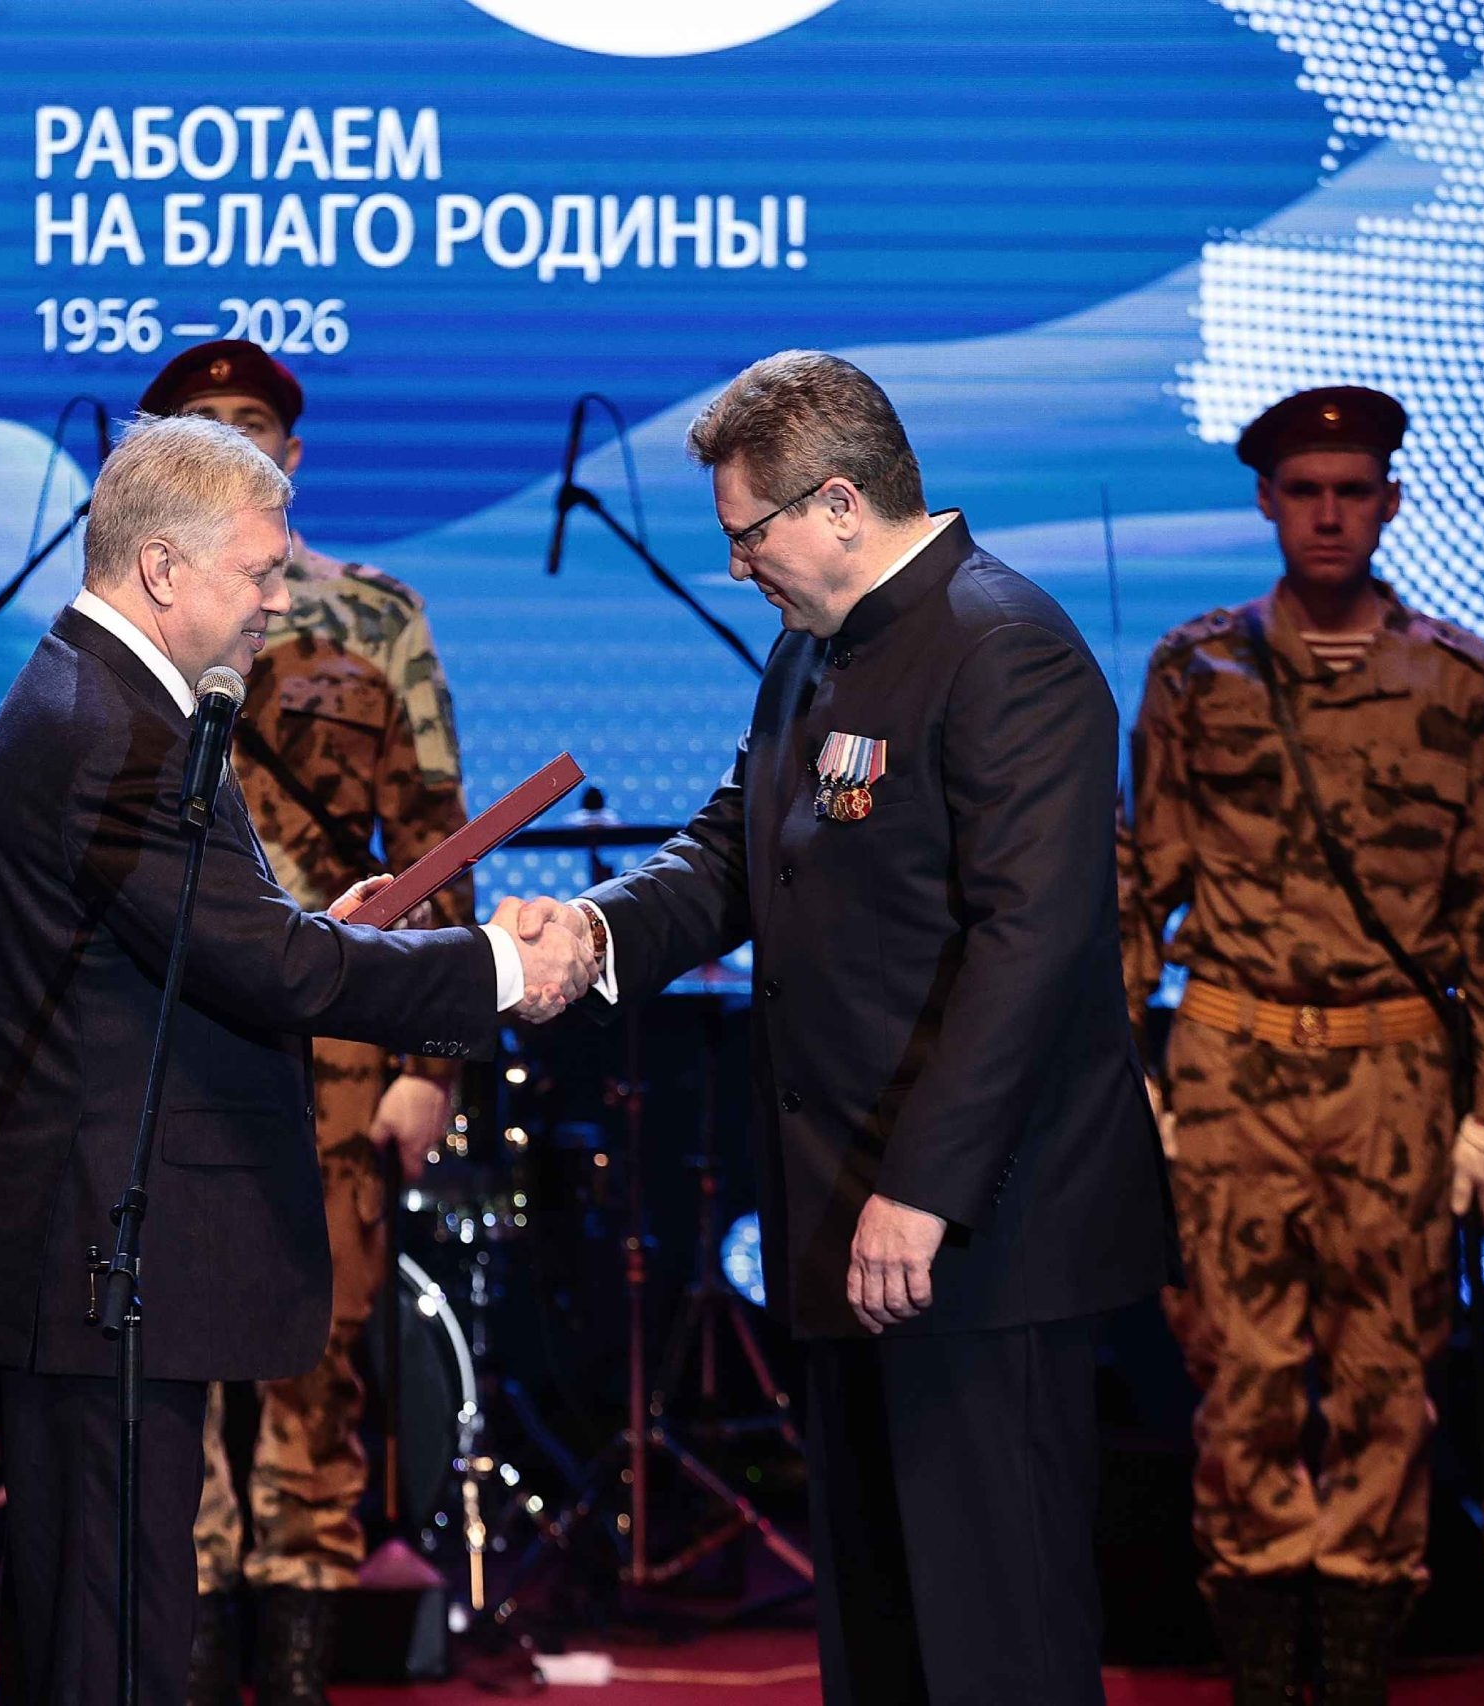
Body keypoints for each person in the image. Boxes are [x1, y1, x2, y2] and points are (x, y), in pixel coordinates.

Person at [505, 351, 1173, 1705]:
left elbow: (1031, 950)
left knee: (995, 1646)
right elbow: (737, 850)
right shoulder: (815, 648)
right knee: (884, 1641)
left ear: (840, 503)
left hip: (977, 1238)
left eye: (747, 533)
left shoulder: (1004, 648)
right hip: (851, 1220)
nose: (735, 565)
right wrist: (593, 931)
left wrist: (921, 1191)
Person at [0, 412, 594, 1706]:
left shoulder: (117, 698)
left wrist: (313, 931)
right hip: (94, 1261)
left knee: (101, 1637)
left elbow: (207, 941)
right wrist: (501, 971)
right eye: (259, 571)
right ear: (162, 568)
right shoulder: (110, 728)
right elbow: (272, 970)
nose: (280, 601)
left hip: (97, 1262)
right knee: (104, 1657)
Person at [1120, 385, 1484, 1704]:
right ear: (1266, 501)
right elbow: (1138, 883)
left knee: (1386, 1382)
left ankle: (1358, 1666)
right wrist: (1135, 1083)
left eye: (1352, 491)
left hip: (1394, 1075)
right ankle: (1265, 1672)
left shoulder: (1459, 681)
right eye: (1304, 491)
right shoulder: (1196, 672)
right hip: (1234, 1064)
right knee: (1240, 1375)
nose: (1327, 514)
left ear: (1390, 503)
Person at [135, 339, 472, 1704]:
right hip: (165, 1041)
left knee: (314, 1378)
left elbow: (437, 843)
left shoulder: (374, 620)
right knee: (163, 1373)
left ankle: (295, 1679)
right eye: (201, 423)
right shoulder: (125, 620)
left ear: (293, 453)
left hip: (332, 1051)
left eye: (252, 424)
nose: (232, 442)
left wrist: (433, 1060)